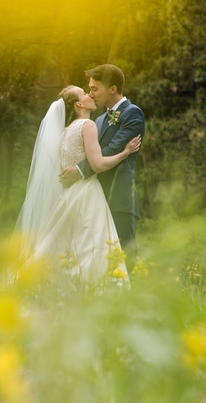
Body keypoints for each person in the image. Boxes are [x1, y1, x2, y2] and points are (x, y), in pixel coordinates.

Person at [16, 85, 140, 283]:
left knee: (64, 245)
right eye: (84, 92)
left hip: (68, 196)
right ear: (79, 104)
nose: (90, 94)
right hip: (87, 193)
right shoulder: (87, 125)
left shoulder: (65, 132)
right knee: (91, 246)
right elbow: (97, 164)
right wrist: (125, 153)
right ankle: (93, 288)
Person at [60, 64, 145, 255]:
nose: (91, 94)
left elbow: (112, 149)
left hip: (119, 199)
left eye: (94, 89)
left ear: (112, 89)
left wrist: (79, 170)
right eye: (89, 89)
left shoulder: (133, 113)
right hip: (94, 200)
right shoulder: (97, 120)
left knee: (124, 259)